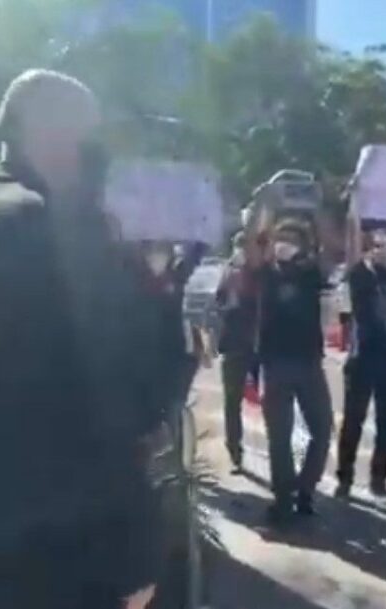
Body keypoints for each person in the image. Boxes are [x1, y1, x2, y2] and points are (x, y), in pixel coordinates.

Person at [0, 70, 165, 609]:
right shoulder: (56, 231)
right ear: (55, 134)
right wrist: (134, 554)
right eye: (91, 139)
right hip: (59, 562)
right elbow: (109, 401)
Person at [251, 218, 334, 523]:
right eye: (279, 238)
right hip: (275, 365)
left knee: (323, 430)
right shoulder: (265, 274)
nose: (284, 243)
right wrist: (261, 216)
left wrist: (329, 210)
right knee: (279, 437)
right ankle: (283, 499)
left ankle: (305, 489)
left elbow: (329, 254)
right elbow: (253, 247)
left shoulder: (311, 273)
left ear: (302, 246)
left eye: (291, 239)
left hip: (310, 363)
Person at [335, 227, 386, 500]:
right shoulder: (360, 276)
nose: (385, 251)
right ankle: (344, 477)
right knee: (353, 421)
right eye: (379, 245)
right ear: (369, 249)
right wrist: (355, 212)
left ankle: (379, 478)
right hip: (363, 360)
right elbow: (350, 249)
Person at [140, 239, 209, 410]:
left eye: (162, 250)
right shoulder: (135, 279)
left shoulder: (176, 276)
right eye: (153, 250)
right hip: (144, 356)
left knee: (173, 405)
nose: (157, 256)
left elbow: (194, 256)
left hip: (175, 355)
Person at [215, 231, 258, 474]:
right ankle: (235, 452)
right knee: (232, 402)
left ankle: (280, 456)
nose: (240, 252)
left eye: (243, 247)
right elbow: (218, 302)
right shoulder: (227, 274)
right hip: (233, 346)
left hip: (258, 346)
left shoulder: (258, 275)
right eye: (237, 247)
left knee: (271, 402)